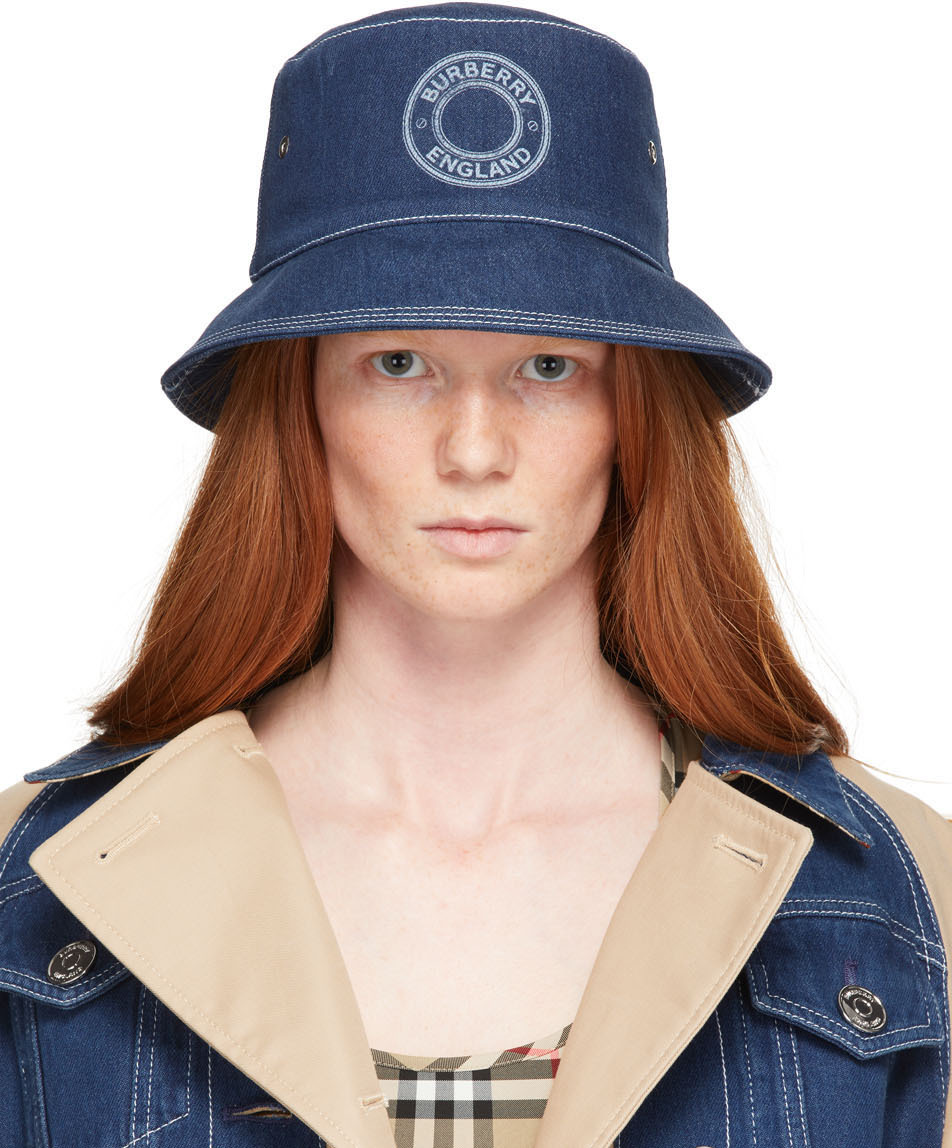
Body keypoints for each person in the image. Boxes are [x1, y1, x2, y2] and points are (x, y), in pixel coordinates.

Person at [1, 3, 949, 1146]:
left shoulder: (911, 896)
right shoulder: (31, 880)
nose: (474, 449)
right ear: (300, 401)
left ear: (632, 413)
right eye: (399, 361)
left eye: (548, 366)